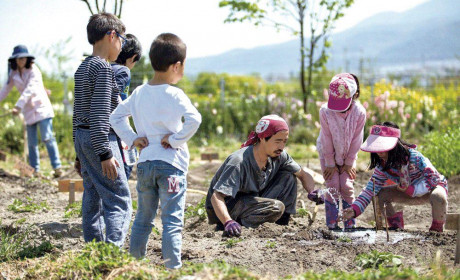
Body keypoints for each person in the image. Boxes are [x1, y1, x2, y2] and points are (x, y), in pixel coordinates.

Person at [110, 33, 201, 269]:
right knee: (171, 221)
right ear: (177, 66)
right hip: (171, 167)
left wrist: (132, 138)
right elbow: (195, 119)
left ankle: (133, 267)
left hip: (145, 165)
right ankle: (173, 270)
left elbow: (116, 116)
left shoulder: (139, 92)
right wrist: (176, 139)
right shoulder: (175, 94)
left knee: (143, 218)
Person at [73, 13, 138, 247]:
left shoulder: (82, 67)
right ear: (112, 36)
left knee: (92, 195)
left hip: (83, 137)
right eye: (120, 39)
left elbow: (78, 111)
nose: (121, 45)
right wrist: (105, 153)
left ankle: (94, 248)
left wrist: (78, 151)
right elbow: (101, 113)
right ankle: (112, 253)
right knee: (119, 199)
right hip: (101, 138)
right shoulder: (103, 68)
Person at [205, 115, 322, 237]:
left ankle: (281, 224)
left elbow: (303, 174)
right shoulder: (239, 162)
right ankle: (237, 224)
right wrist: (227, 221)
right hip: (227, 208)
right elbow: (216, 196)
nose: (281, 147)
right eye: (277, 141)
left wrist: (311, 191)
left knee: (289, 177)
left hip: (252, 199)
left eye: (284, 141)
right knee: (277, 207)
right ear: (262, 138)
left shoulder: (279, 155)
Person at [342, 122, 448, 232]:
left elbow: (433, 178)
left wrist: (413, 190)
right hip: (406, 191)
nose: (379, 152)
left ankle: (437, 230)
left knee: (438, 197)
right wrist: (354, 210)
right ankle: (395, 227)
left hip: (430, 189)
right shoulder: (382, 166)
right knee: (380, 195)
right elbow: (370, 190)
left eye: (382, 146)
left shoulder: (415, 158)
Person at [0, 45, 62, 177]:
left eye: (23, 58)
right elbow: (5, 90)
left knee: (47, 137)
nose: (21, 61)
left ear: (27, 59)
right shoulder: (13, 73)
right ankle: (35, 170)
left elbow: (30, 89)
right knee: (32, 143)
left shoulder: (34, 70)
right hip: (28, 111)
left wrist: (18, 106)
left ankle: (57, 168)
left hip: (41, 108)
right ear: (14, 60)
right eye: (18, 59)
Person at [316, 73, 366, 230]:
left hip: (348, 155)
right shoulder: (325, 111)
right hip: (327, 153)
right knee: (332, 185)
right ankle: (332, 225)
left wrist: (350, 162)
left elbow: (357, 139)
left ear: (355, 95)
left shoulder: (359, 113)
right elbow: (326, 137)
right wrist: (330, 163)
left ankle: (349, 224)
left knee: (346, 186)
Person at [111, 33, 142, 179]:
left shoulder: (105, 67)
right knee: (125, 165)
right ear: (133, 57)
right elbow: (118, 102)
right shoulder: (123, 71)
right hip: (116, 126)